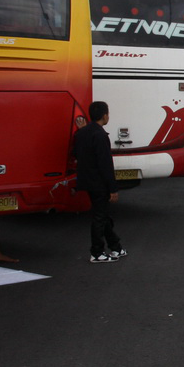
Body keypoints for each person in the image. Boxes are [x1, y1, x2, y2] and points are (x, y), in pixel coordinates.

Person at [73, 100, 126, 263]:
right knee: (99, 217)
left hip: (87, 180)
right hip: (99, 183)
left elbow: (76, 154)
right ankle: (97, 252)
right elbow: (105, 164)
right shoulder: (100, 135)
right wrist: (113, 188)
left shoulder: (81, 133)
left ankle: (116, 247)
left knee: (102, 214)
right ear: (104, 115)